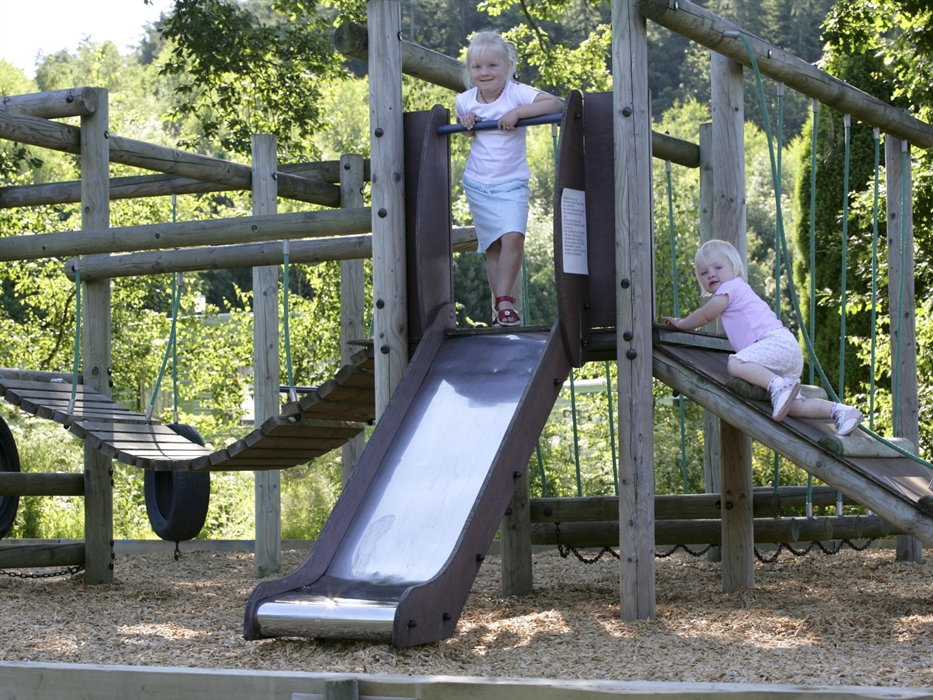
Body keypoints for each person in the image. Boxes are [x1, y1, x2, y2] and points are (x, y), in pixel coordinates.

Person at [663, 239, 863, 436]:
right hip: (784, 353)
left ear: (734, 268)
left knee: (735, 363)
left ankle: (778, 385)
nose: (711, 274)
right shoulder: (736, 289)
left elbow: (706, 314)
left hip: (773, 343)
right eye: (704, 272)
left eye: (717, 267)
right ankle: (842, 412)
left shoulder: (730, 288)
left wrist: (682, 324)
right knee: (794, 407)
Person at [456, 30, 562, 327]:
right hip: (478, 182)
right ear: (469, 71)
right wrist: (467, 123)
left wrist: (518, 112)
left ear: (508, 66)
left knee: (514, 236)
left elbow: (554, 104)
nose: (485, 73)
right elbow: (465, 127)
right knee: (493, 246)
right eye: (477, 67)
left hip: (512, 181)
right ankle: (501, 306)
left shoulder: (516, 93)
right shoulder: (464, 100)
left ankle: (505, 301)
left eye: (492, 66)